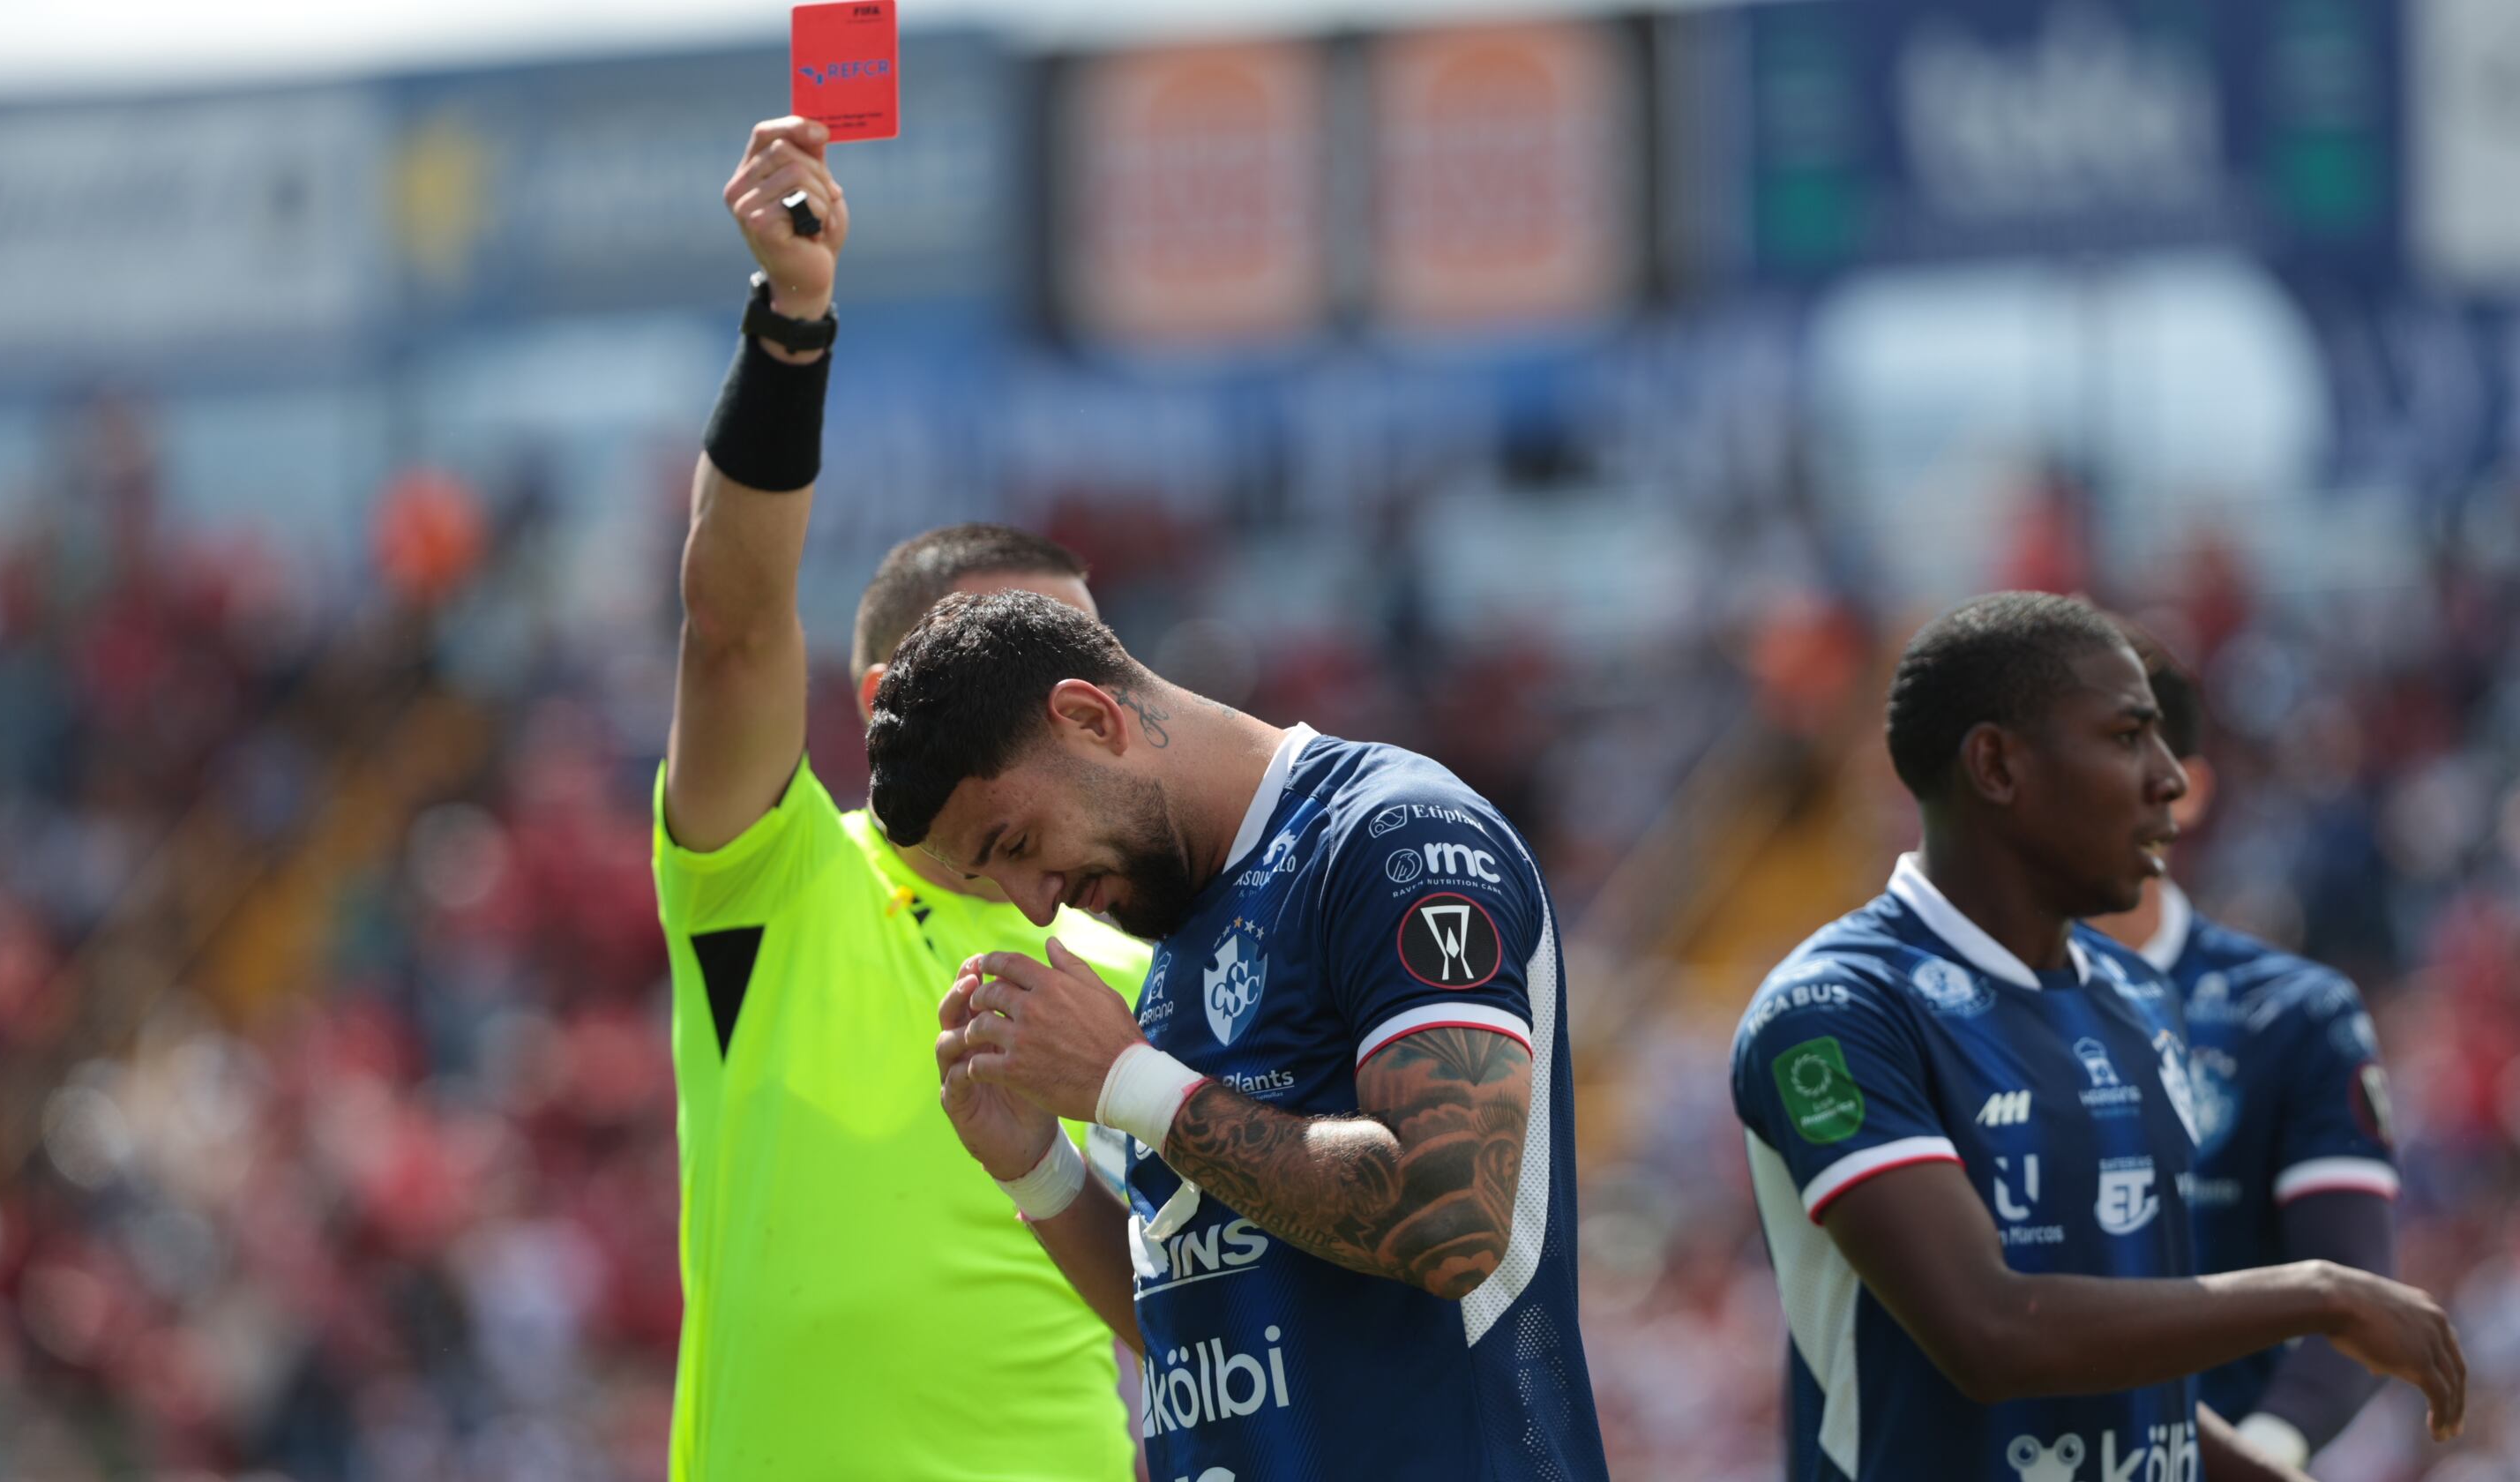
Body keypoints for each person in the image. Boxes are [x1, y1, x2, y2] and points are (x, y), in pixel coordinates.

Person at [654, 117, 1154, 1479]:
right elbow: (736, 624)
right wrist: (793, 318)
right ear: (887, 708)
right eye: (1029, 677)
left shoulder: (1149, 952)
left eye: (1094, 679)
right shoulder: (779, 882)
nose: (1086, 718)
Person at [869, 589, 1610, 1481]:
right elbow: (1192, 1320)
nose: (1035, 903)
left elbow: (1450, 1216)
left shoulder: (1394, 838)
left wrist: (1129, 1082)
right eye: (995, 876)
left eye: (1019, 841)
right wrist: (1037, 1167)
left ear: (1088, 718)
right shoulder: (1173, 932)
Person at [1728, 591, 2463, 1482]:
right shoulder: (1836, 1010)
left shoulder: (2136, 995)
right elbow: (1992, 1334)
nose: (2171, 778)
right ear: (1996, 766)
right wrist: (2316, 1294)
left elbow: (2116, 1376)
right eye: (2126, 738)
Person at [2088, 640, 2401, 1471]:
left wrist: (2256, 1455)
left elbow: (2356, 1285)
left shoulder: (2293, 1014)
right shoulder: (1935, 1010)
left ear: (2184, 791)